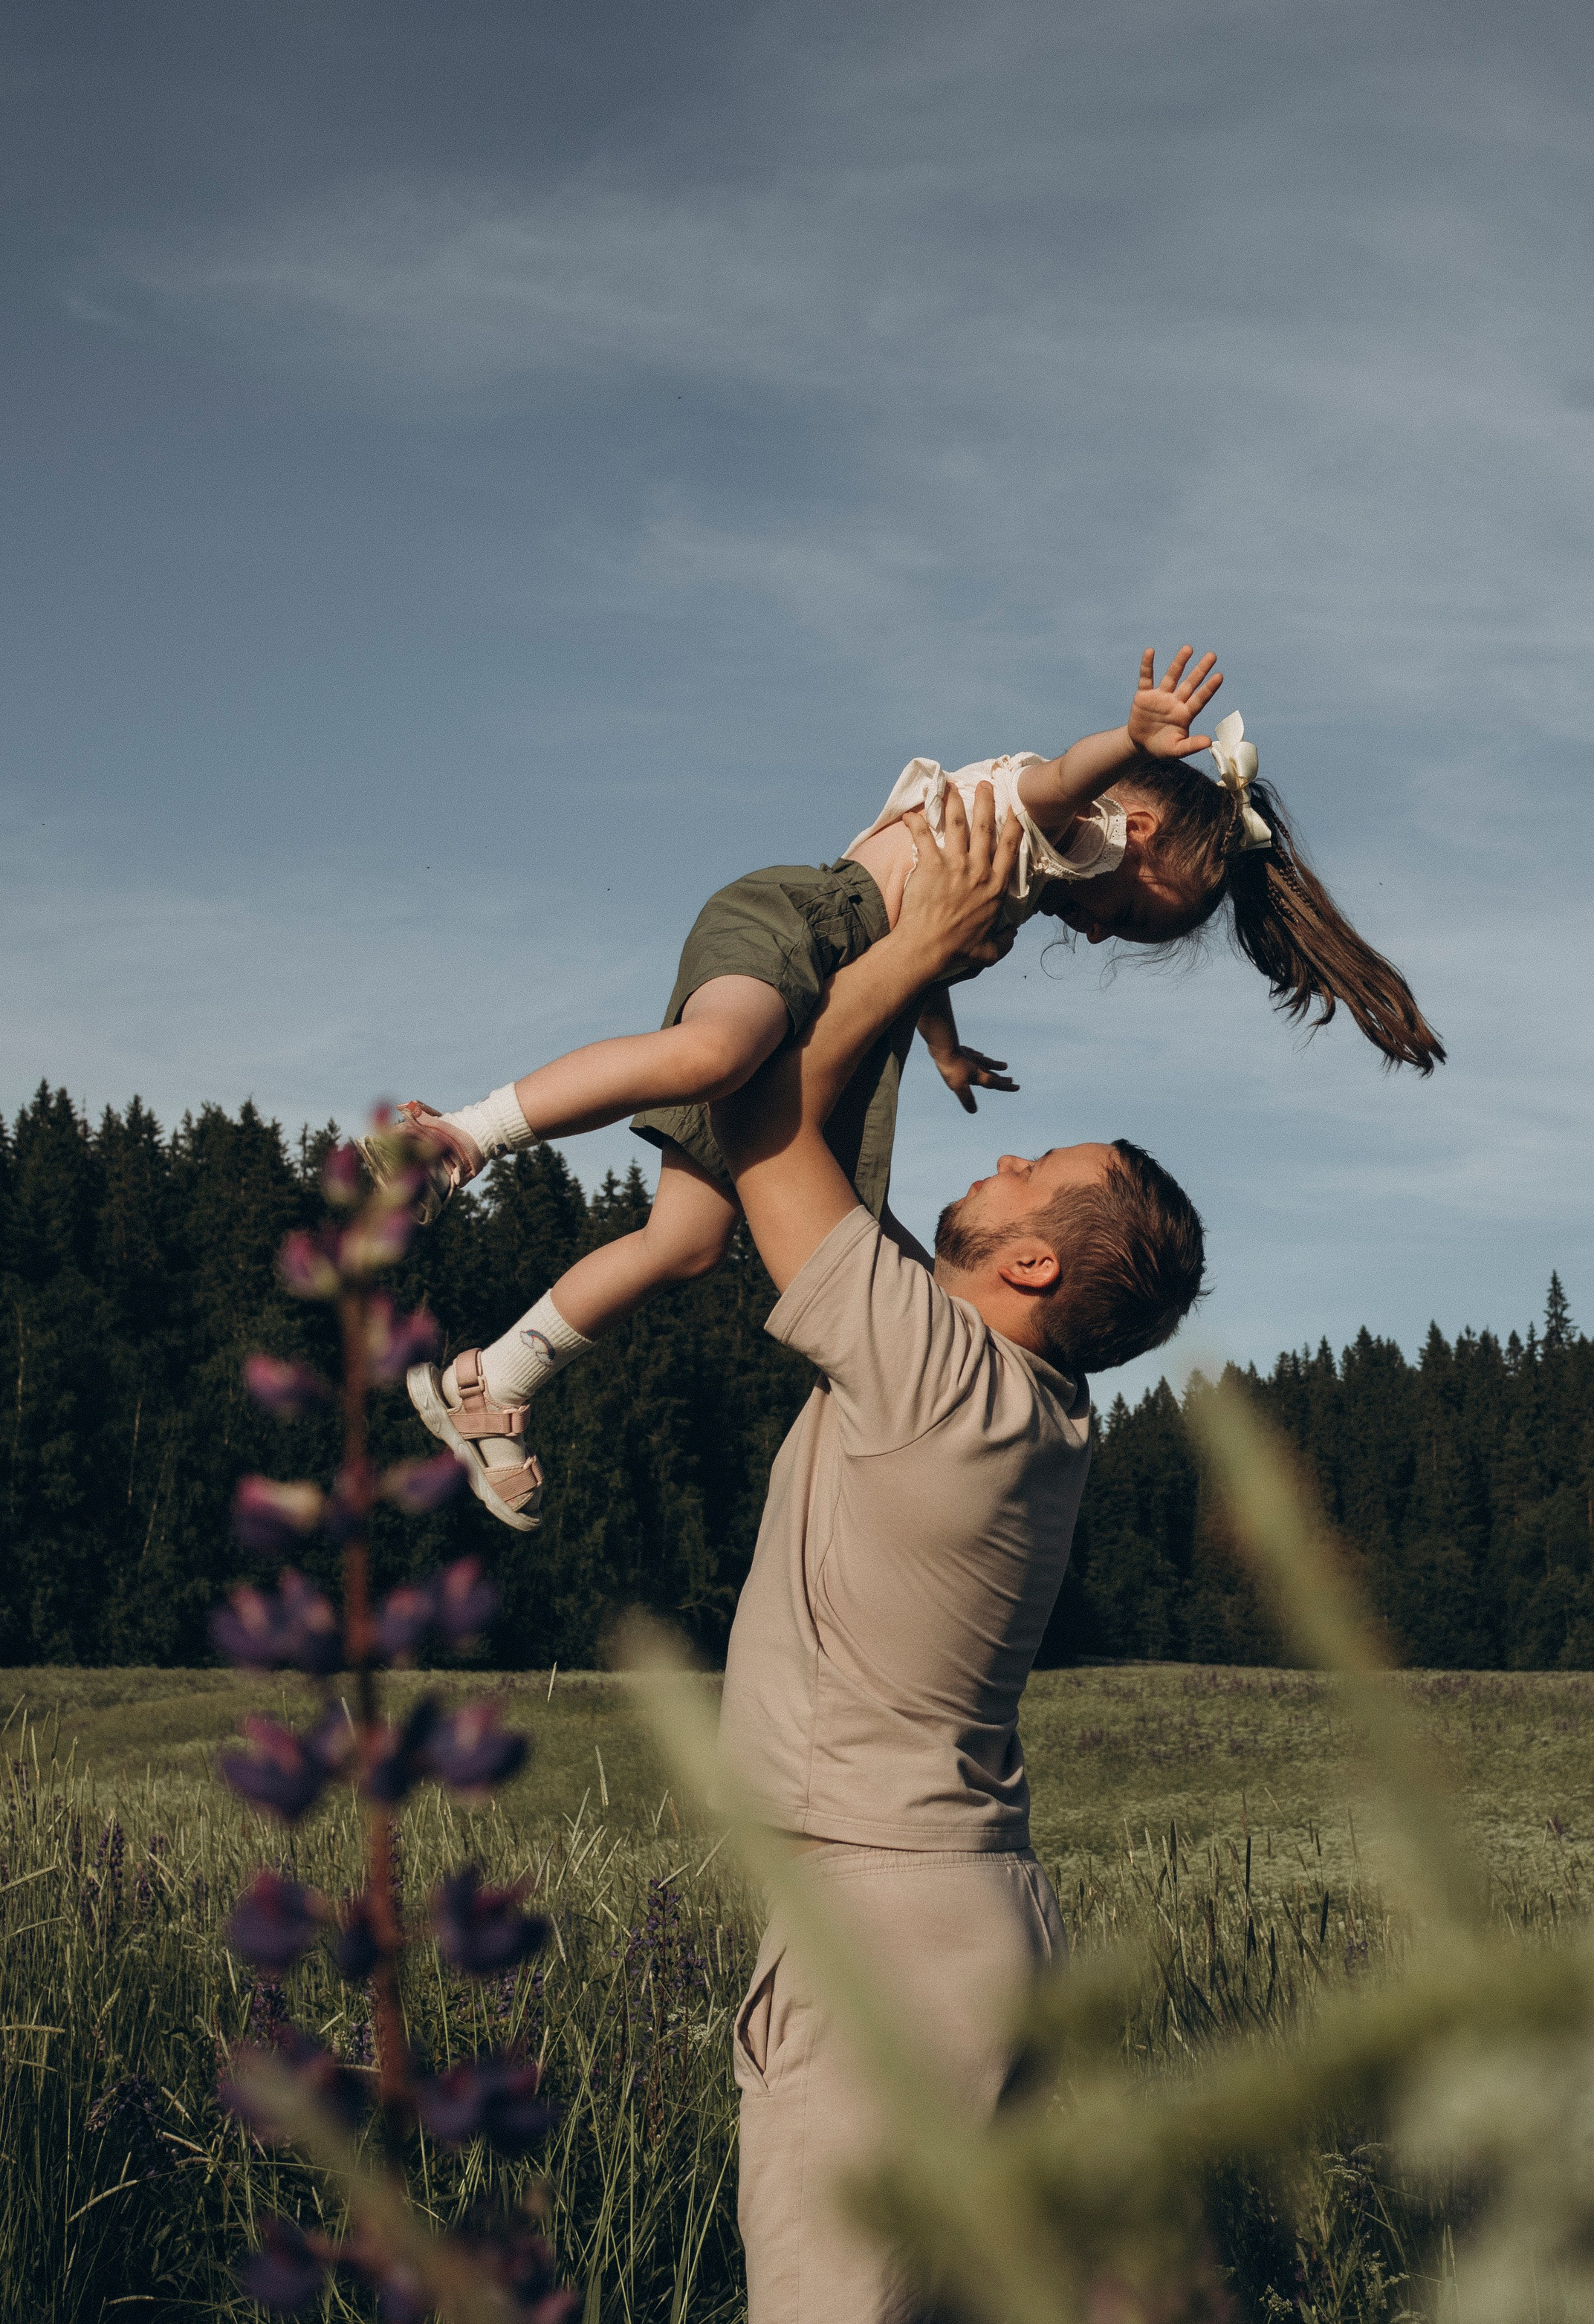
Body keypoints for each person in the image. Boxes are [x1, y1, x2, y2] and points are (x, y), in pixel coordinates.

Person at [373, 646, 1437, 1529]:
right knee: (712, 1062)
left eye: (1125, 933)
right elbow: (1060, 780)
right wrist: (1132, 741)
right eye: (1130, 912)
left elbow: (927, 952)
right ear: (1138, 832)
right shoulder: (1070, 821)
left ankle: (492, 1383)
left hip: (853, 987)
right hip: (805, 924)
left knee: (689, 1244)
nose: (1104, 929)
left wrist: (944, 1047)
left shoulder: (1018, 886)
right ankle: (462, 1137)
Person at [706, 779, 1208, 2324]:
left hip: (889, 1944)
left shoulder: (935, 1374)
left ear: (1036, 1258)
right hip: (981, 1917)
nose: (989, 1166)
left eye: (1021, 1170)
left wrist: (909, 943)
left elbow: (754, 1122)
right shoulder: (1022, 1402)